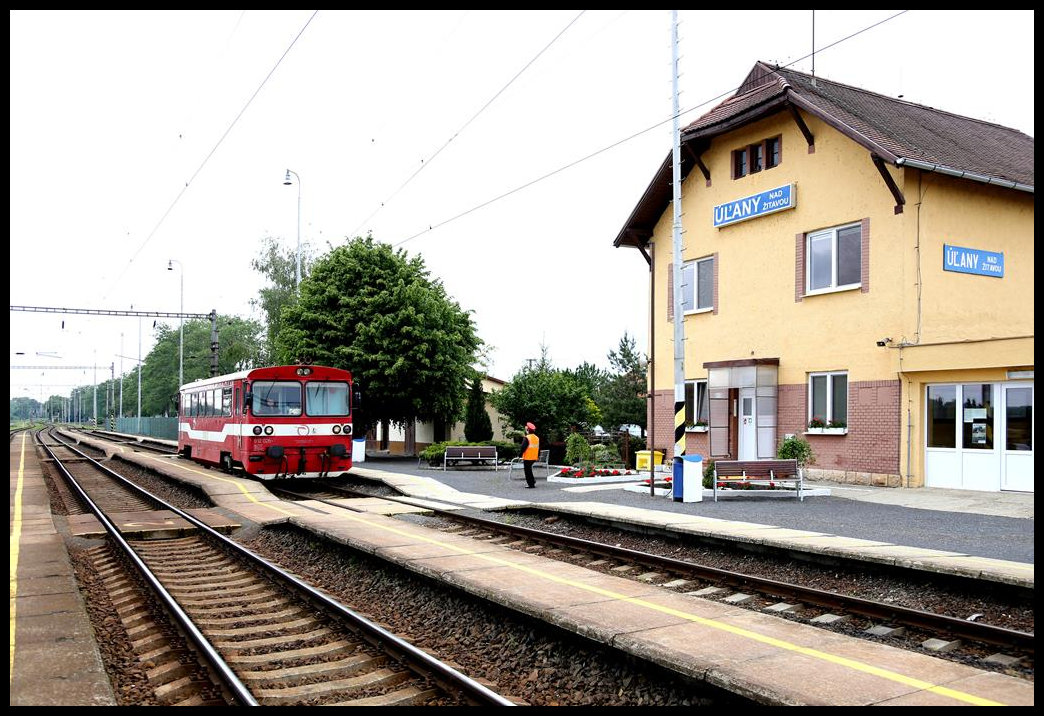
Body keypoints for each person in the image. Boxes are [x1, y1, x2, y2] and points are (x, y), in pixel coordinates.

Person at [520, 422, 540, 488]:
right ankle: (532, 481)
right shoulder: (537, 438)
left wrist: (520, 455)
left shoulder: (527, 438)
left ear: (528, 430)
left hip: (528, 457)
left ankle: (531, 484)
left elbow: (523, 447)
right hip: (534, 457)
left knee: (527, 471)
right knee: (529, 469)